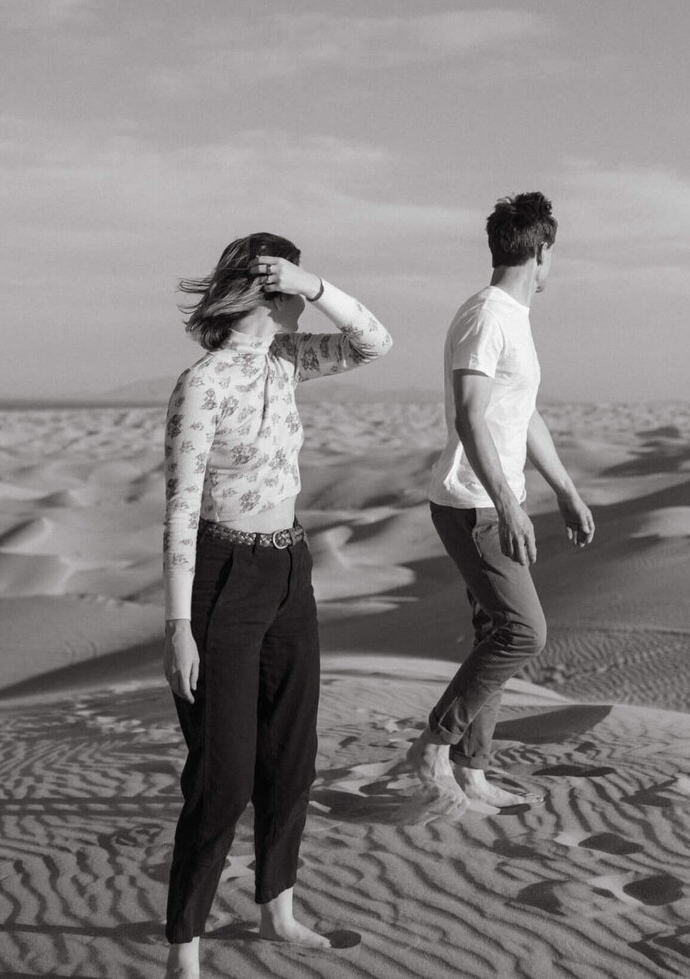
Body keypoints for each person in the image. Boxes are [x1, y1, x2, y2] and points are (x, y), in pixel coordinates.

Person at [161, 232, 391, 978]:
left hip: (291, 570)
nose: (302, 299)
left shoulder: (289, 359)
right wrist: (178, 628)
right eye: (290, 286)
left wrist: (316, 282)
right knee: (223, 776)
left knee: (291, 760)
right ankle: (184, 951)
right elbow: (179, 508)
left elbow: (375, 341)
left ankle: (277, 911)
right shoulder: (203, 384)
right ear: (266, 291)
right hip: (222, 581)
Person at [409, 192, 594, 809]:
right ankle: (435, 743)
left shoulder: (513, 317)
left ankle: (472, 770)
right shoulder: (487, 316)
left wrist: (563, 489)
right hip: (472, 502)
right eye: (553, 253)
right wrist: (508, 506)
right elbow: (470, 416)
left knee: (495, 629)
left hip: (493, 498)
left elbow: (521, 413)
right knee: (523, 632)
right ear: (540, 250)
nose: (553, 266)